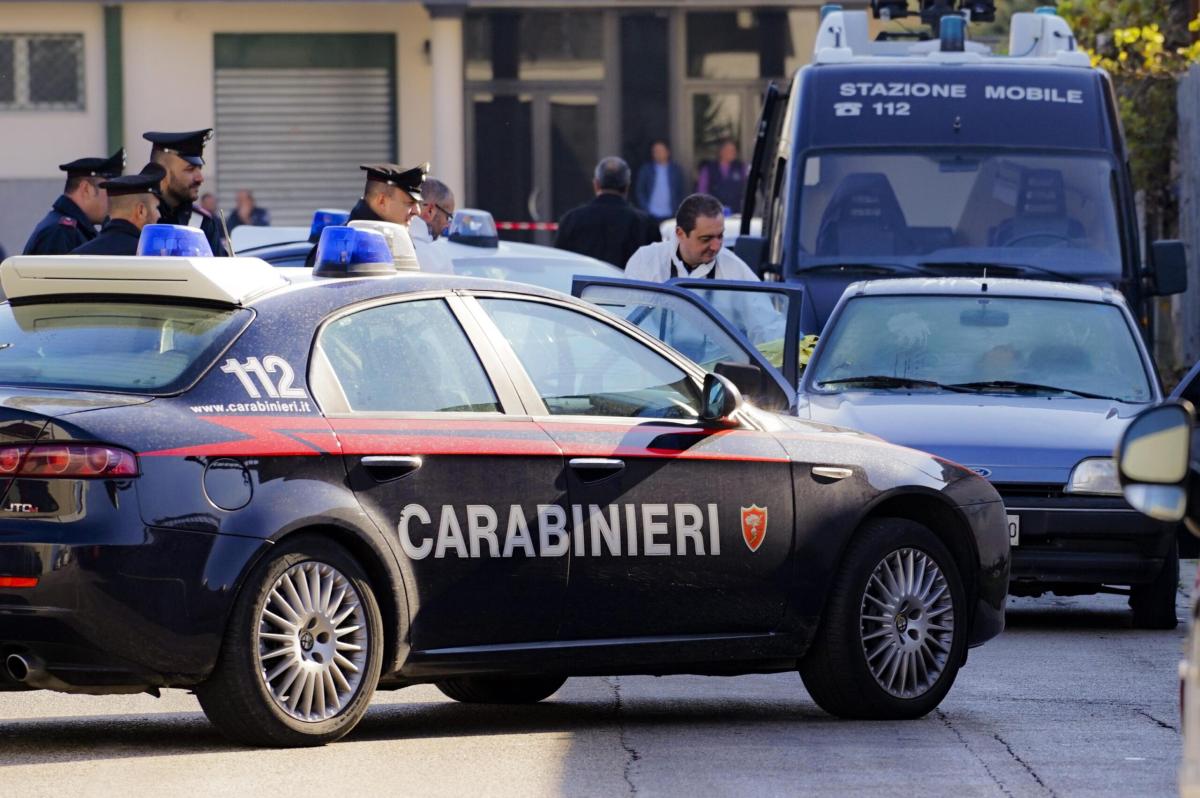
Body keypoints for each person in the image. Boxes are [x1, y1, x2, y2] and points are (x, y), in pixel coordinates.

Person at [306, 163, 426, 268]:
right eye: (410, 203)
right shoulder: (340, 248)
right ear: (382, 201)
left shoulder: (395, 240)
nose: (417, 211)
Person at [625, 193, 759, 282]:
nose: (716, 246)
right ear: (680, 233)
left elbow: (768, 322)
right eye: (706, 239)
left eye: (720, 236)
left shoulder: (735, 269)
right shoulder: (645, 261)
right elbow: (628, 315)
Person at [555, 156, 658, 268]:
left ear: (596, 184)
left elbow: (559, 263)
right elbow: (656, 268)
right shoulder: (646, 224)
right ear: (627, 186)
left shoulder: (571, 220)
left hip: (583, 285)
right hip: (628, 285)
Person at [22, 148, 124, 255]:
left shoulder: (74, 231)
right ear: (86, 189)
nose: (113, 199)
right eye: (109, 191)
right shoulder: (60, 233)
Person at [144, 129, 227, 256]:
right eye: (190, 169)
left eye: (199, 169)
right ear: (162, 173)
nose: (200, 178)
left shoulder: (202, 223)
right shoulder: (138, 216)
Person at [71, 164, 166, 256]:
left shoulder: (77, 255)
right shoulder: (152, 256)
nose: (159, 215)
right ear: (141, 211)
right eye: (156, 208)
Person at [634, 140, 685, 224]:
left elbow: (681, 191)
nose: (658, 154)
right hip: (651, 213)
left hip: (671, 213)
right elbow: (640, 190)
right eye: (655, 151)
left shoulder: (676, 170)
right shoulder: (646, 169)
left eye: (660, 151)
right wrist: (645, 207)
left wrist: (678, 208)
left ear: (667, 152)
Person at [411, 177, 455, 274]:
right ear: (430, 210)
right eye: (447, 217)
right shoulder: (438, 259)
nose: (447, 225)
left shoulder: (383, 242)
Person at [695, 138, 747, 214]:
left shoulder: (741, 167)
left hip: (736, 213)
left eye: (734, 150)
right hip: (714, 214)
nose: (733, 153)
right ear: (721, 151)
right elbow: (702, 192)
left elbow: (747, 189)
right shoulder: (708, 168)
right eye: (730, 150)